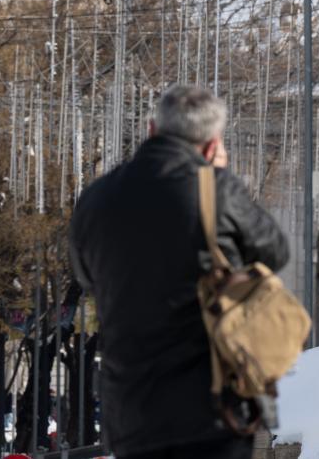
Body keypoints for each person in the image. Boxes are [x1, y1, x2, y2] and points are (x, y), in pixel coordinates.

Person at [70, 85, 289, 459]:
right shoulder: (215, 188)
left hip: (130, 414)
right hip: (213, 412)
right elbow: (274, 250)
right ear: (210, 145)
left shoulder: (97, 198)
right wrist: (215, 175)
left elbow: (84, 275)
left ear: (153, 128)